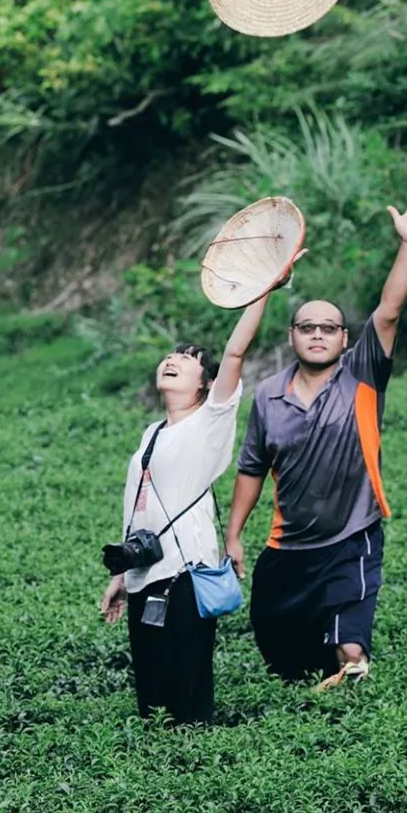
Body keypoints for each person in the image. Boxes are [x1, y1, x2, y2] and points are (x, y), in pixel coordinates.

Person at [224, 189, 407, 690]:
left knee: (349, 636)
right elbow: (252, 469)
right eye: (308, 327)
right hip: (290, 543)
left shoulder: (363, 375)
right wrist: (234, 535)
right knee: (278, 647)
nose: (318, 334)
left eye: (330, 327)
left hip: (353, 534)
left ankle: (353, 664)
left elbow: (388, 311)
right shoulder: (268, 396)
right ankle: (319, 679)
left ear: (345, 339)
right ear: (292, 337)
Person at [98, 254, 297, 725]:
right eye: (172, 356)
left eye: (188, 360)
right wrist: (122, 574)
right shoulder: (151, 433)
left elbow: (234, 354)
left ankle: (195, 770)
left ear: (206, 385)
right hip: (146, 574)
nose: (174, 361)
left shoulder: (210, 422)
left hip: (185, 575)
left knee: (186, 697)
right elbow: (140, 509)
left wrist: (262, 290)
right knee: (150, 698)